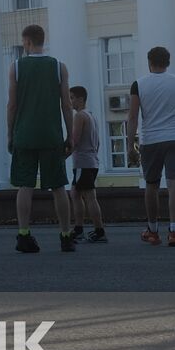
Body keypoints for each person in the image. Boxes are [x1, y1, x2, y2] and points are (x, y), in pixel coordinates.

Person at [6, 24, 75, 253]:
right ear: (42, 41)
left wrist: (10, 133)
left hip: (24, 135)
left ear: (26, 42)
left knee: (25, 185)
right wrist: (70, 135)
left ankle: (24, 234)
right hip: (51, 135)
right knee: (58, 187)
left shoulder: (16, 67)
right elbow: (66, 104)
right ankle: (66, 236)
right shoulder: (58, 67)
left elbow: (12, 105)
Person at [127, 46, 175, 247]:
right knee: (174, 183)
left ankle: (152, 230)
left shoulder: (138, 85)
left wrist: (130, 145)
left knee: (151, 185)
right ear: (168, 63)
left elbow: (133, 117)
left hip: (150, 140)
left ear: (149, 62)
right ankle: (174, 231)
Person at [67, 86, 107, 243]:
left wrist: (61, 156)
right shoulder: (91, 116)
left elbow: (74, 141)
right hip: (91, 161)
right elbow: (98, 142)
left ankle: (98, 230)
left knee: (89, 196)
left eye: (72, 97)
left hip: (83, 162)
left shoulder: (79, 116)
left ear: (81, 99)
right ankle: (80, 228)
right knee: (75, 194)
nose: (70, 101)